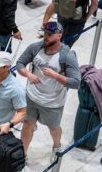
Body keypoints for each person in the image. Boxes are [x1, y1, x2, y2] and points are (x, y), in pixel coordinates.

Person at [16, 22, 81, 154]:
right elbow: (20, 63)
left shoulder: (67, 56)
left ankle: (57, 146)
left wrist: (56, 75)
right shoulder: (35, 47)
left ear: (59, 35)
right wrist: (28, 74)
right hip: (32, 97)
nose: (46, 36)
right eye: (45, 33)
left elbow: (76, 82)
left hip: (52, 102)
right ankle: (23, 154)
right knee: (28, 124)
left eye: (50, 34)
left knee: (53, 128)